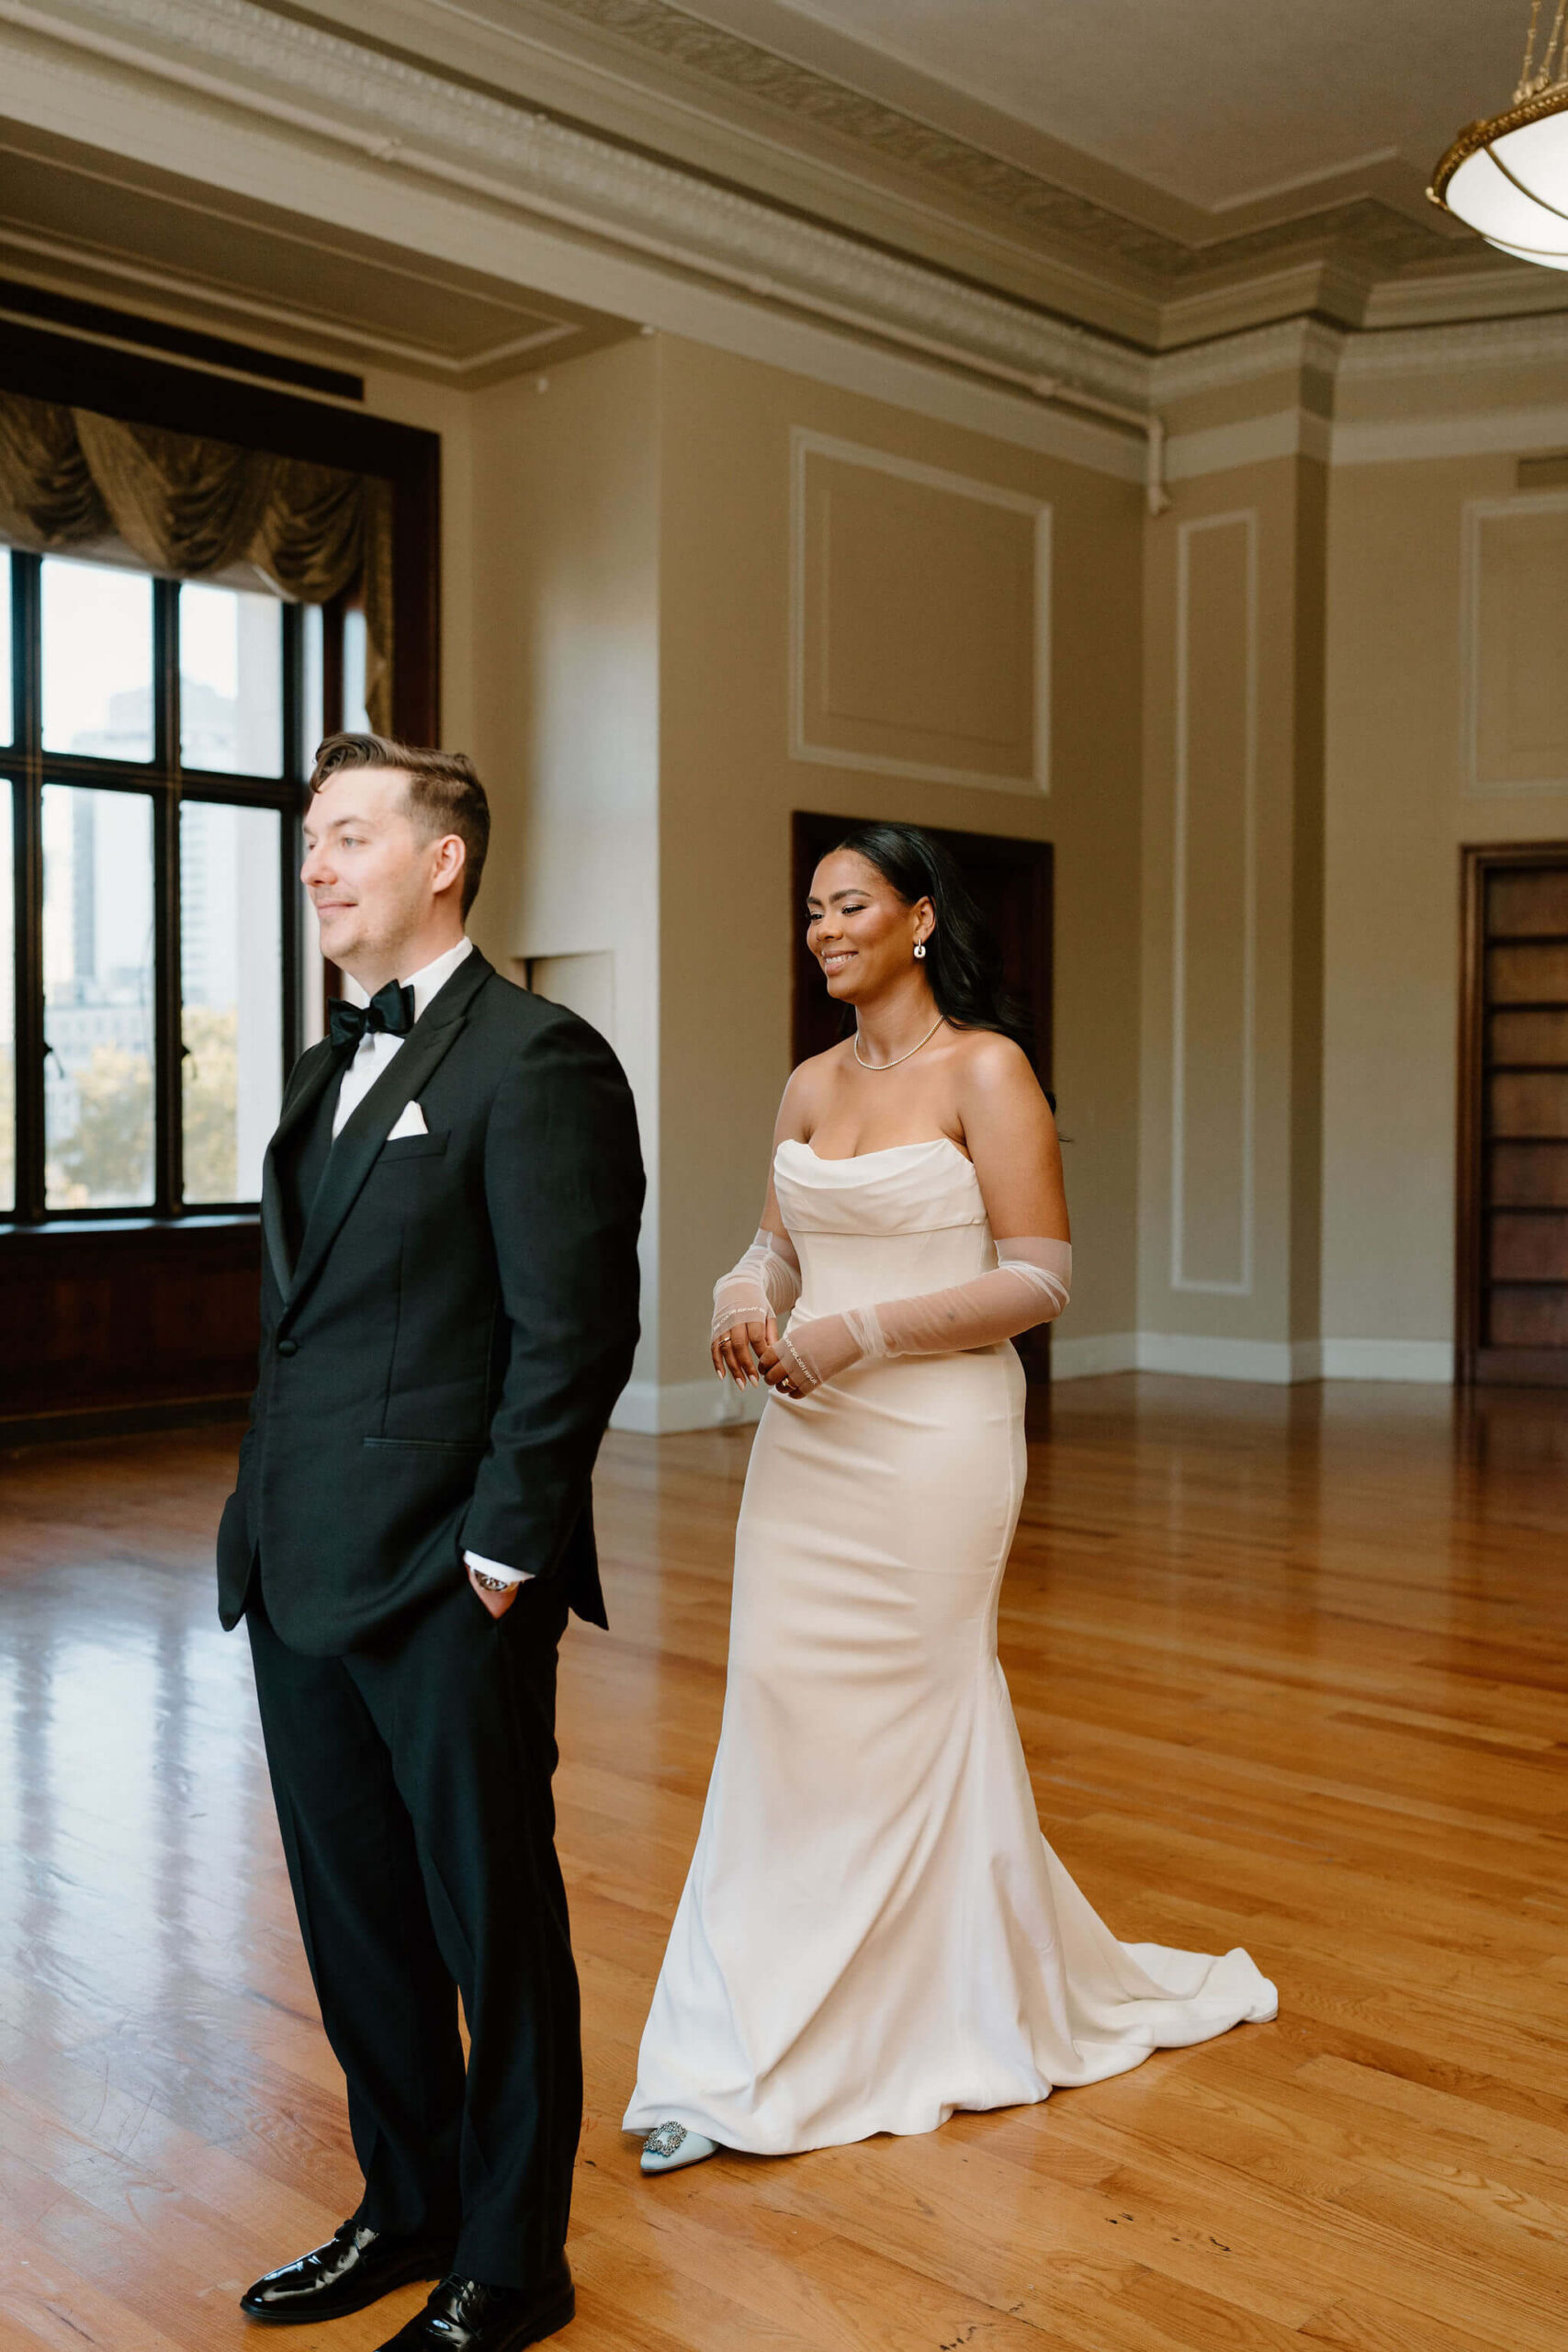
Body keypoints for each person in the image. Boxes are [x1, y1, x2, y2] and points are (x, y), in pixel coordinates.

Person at [626, 821, 1275, 2172]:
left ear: (920, 920)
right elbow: (775, 1244)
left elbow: (1042, 1277)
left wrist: (864, 1335)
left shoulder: (986, 1068)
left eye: (852, 904)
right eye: (812, 910)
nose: (826, 930)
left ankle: (936, 2012)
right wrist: (742, 1295)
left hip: (935, 1443)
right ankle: (741, 2033)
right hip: (804, 1452)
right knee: (784, 1718)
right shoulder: (809, 1084)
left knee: (920, 1718)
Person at [218, 734, 643, 2351]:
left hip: (448, 1580)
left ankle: (512, 2261)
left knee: (492, 1919)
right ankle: (407, 2201)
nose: (315, 864)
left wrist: (504, 1556)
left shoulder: (537, 1062)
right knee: (353, 1918)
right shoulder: (332, 1072)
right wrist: (254, 1526)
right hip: (298, 1573)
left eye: (346, 837)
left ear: (443, 858)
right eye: (308, 841)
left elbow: (574, 1330)